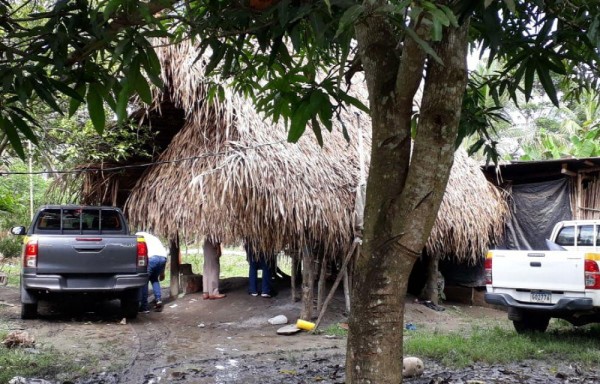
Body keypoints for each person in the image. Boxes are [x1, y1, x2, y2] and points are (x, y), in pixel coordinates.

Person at [137, 231, 168, 313]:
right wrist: (162, 272)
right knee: (154, 279)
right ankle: (158, 300)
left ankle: (144, 307)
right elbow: (164, 252)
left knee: (144, 281)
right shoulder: (154, 238)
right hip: (163, 258)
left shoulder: (138, 236)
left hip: (152, 258)